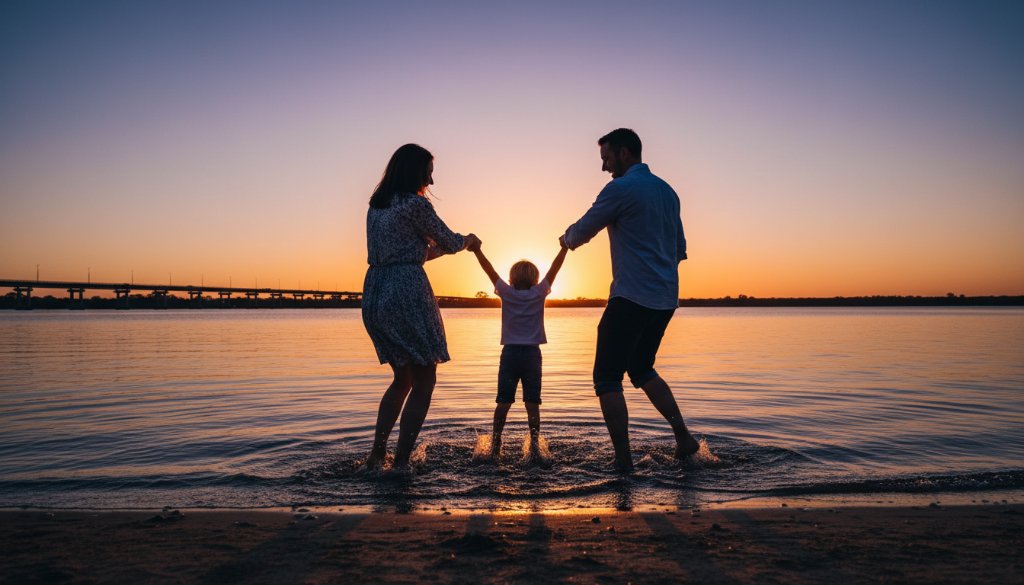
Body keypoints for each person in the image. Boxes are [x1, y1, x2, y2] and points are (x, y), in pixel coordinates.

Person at [560, 128, 699, 472]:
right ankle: (683, 438)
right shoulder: (668, 192)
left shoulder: (620, 189)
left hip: (630, 298)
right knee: (641, 368)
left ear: (624, 153)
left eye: (606, 158)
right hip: (665, 300)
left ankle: (624, 461)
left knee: (606, 378)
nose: (604, 167)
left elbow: (581, 232)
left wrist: (565, 238)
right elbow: (680, 250)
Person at [362, 143, 480, 469]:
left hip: (376, 291)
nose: (432, 180)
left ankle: (376, 455)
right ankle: (400, 463)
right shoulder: (416, 205)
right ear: (416, 171)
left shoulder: (377, 207)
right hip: (407, 293)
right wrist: (468, 240)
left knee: (402, 379)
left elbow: (412, 251)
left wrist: (438, 250)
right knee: (425, 378)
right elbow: (450, 240)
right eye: (429, 172)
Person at [468, 240, 569, 458]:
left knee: (503, 402)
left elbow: (489, 269)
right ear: (534, 279)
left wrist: (477, 250)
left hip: (510, 354)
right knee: (532, 403)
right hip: (532, 354)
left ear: (511, 278)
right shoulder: (539, 292)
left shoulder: (506, 292)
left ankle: (496, 445)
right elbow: (555, 268)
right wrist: (564, 247)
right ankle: (534, 446)